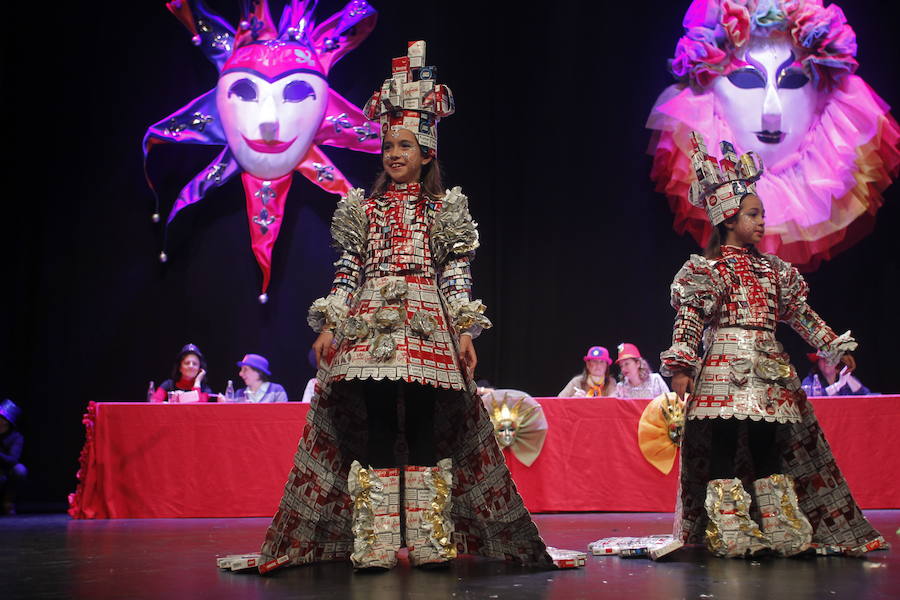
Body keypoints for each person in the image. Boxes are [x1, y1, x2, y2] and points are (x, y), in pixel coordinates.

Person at [254, 41, 555, 573]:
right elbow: (347, 274)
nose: (394, 154)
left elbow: (457, 275)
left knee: (419, 424)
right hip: (369, 330)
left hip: (426, 330)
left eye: (405, 145)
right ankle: (373, 541)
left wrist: (464, 329)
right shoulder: (362, 210)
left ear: (427, 153)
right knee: (371, 425)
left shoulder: (444, 209)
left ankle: (427, 537)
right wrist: (330, 322)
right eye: (388, 145)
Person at [659, 133, 884, 558]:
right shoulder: (708, 270)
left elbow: (800, 314)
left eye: (761, 214)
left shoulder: (774, 271)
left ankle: (779, 529)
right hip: (724, 368)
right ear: (728, 219)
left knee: (768, 446)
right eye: (753, 214)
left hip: (769, 371)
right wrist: (682, 368)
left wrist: (833, 346)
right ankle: (731, 532)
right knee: (724, 445)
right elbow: (689, 318)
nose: (761, 222)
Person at [801, 351, 872, 396]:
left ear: (837, 362)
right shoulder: (810, 380)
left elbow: (865, 394)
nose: (827, 362)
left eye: (830, 358)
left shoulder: (847, 380)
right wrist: (838, 385)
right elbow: (810, 398)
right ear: (818, 363)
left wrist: (847, 371)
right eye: (823, 359)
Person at [0, 399, 26, 516]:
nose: (1, 422)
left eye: (3, 420)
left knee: (20, 470)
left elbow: (13, 460)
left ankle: (8, 503)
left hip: (5, 469)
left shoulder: (16, 437)